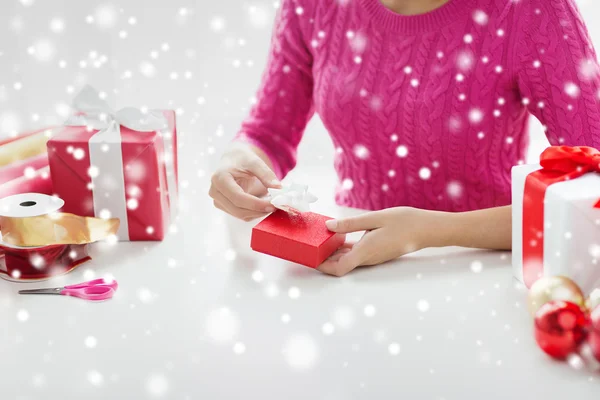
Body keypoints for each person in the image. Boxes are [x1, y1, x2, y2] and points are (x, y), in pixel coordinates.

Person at [209, 0, 600, 276]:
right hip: (352, 268)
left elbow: (592, 194)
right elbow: (268, 133)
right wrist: (241, 159)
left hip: (485, 270)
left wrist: (431, 231)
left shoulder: (532, 9)